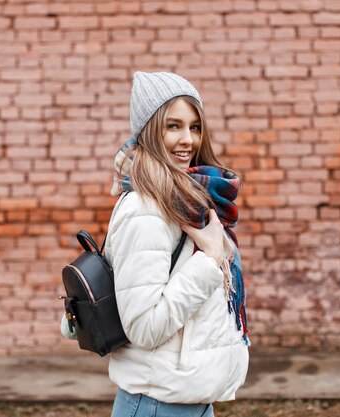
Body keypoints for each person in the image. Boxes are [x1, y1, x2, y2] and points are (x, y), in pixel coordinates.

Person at [62, 71, 249, 417]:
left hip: (186, 400)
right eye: (172, 126)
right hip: (156, 405)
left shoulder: (190, 200)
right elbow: (145, 327)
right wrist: (209, 261)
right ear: (150, 131)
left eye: (194, 127)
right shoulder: (146, 209)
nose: (187, 140)